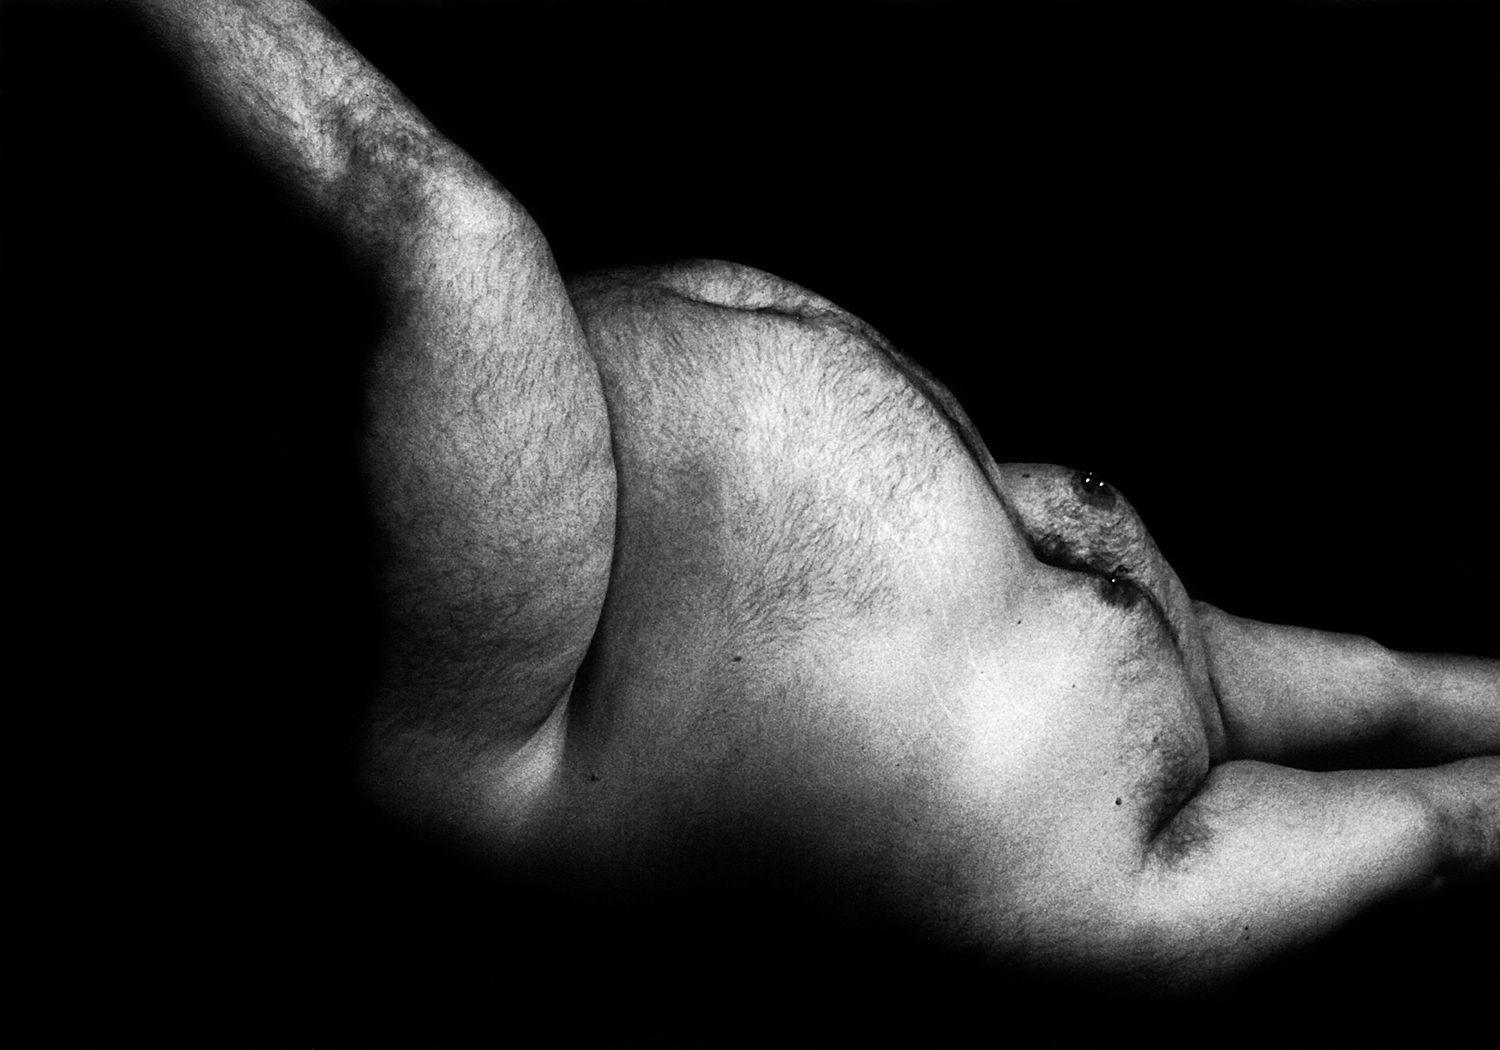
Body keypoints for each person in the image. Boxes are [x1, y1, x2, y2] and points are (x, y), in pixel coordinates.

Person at [115, 0, 1496, 1028]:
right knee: (1401, 730)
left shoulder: (1093, 897)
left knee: (449, 232)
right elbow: (1442, 811)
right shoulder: (1112, 886)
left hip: (540, 679)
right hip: (546, 700)